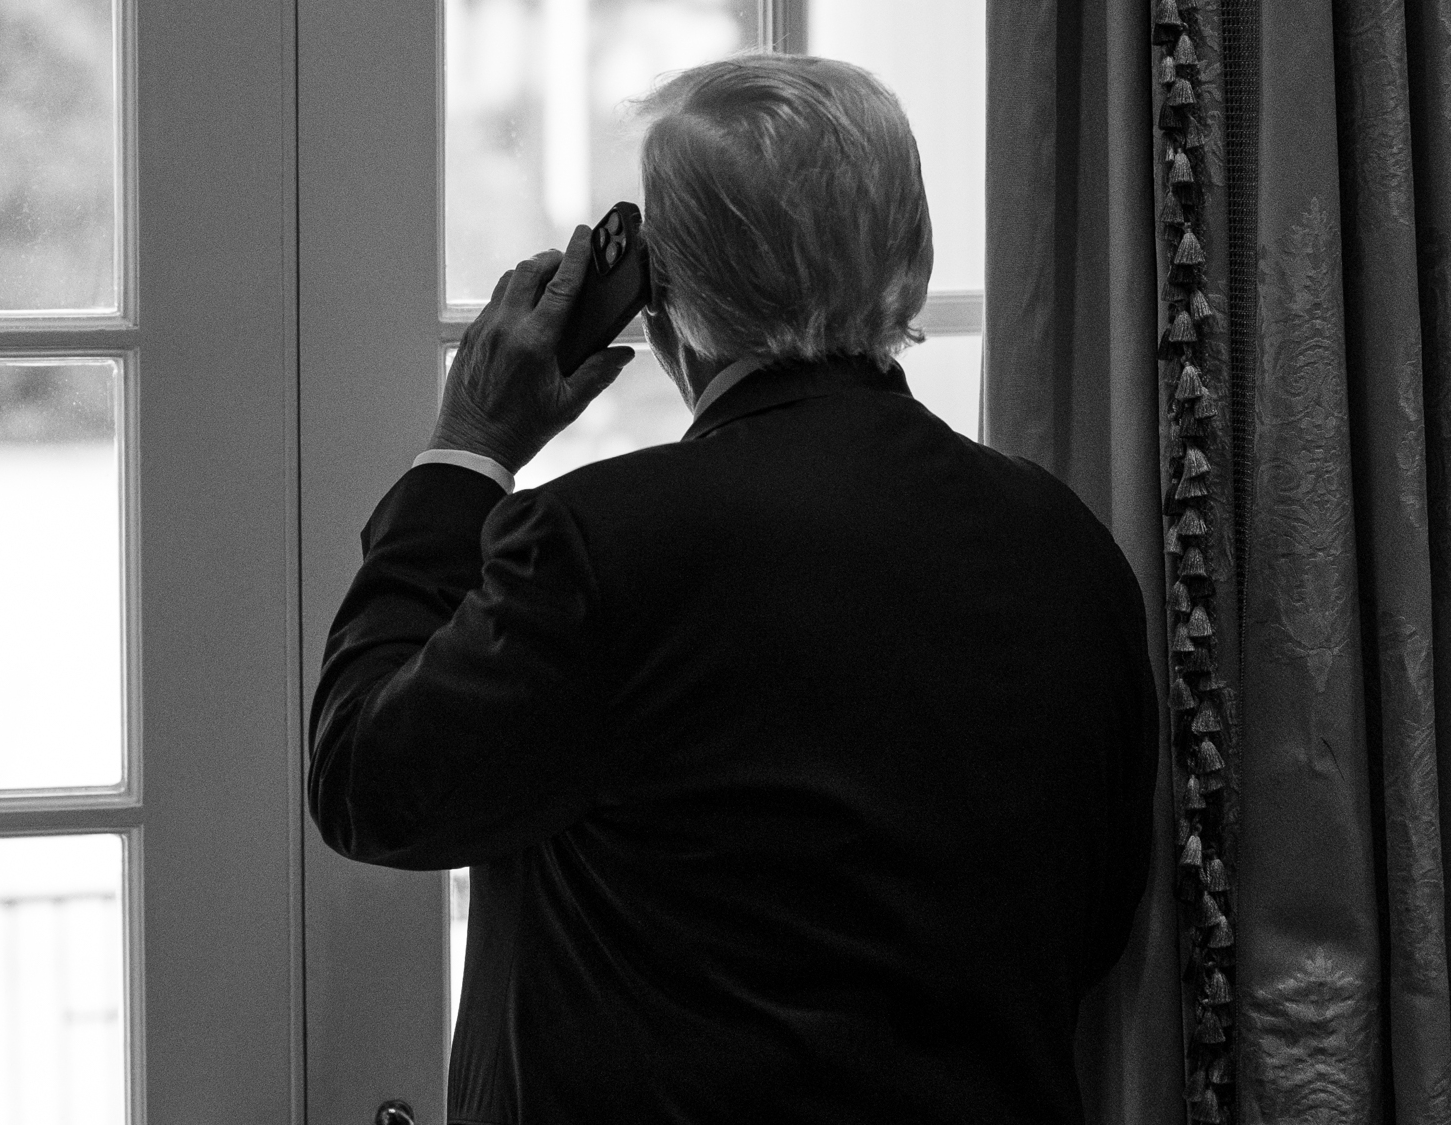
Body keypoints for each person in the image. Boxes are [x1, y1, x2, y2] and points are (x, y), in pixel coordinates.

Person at [309, 52, 1155, 1124]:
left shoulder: (601, 547)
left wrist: (467, 449)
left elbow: (368, 781)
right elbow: (1098, 917)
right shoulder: (1067, 545)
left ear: (663, 297)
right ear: (910, 255)